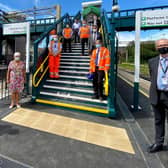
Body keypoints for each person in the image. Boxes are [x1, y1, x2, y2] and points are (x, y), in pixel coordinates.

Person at [148, 38, 168, 153]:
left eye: (165, 45)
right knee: (158, 120)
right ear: (157, 48)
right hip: (157, 94)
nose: (163, 47)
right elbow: (152, 77)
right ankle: (159, 143)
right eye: (160, 45)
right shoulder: (152, 61)